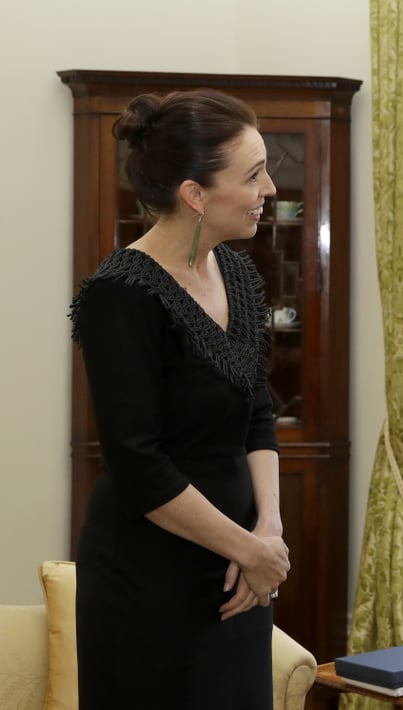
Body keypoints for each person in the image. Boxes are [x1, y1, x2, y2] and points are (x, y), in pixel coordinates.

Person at [70, 89, 290, 709]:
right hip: (149, 583)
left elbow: (259, 415)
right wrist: (248, 550)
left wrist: (267, 534)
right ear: (195, 194)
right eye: (252, 175)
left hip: (240, 579)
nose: (269, 188)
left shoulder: (241, 275)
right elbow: (138, 465)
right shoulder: (120, 295)